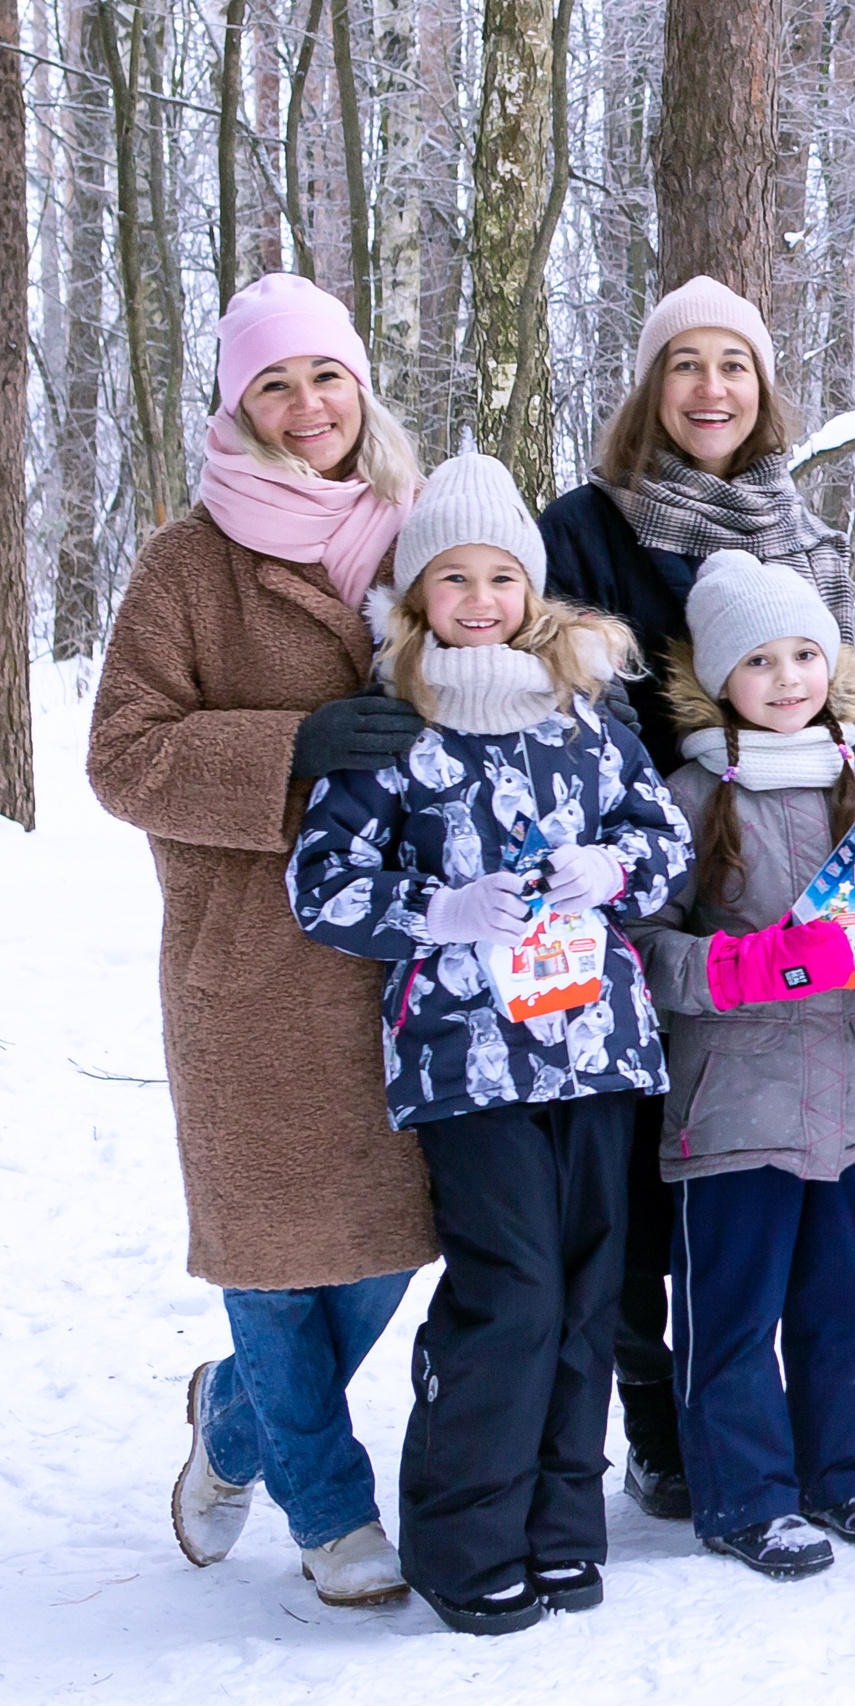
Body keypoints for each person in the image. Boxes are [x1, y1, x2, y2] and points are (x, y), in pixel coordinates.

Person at [288, 454, 691, 1634]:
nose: (479, 598)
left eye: (500, 576)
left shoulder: (584, 709)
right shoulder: (392, 725)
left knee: (589, 1294)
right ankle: (468, 1539)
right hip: (471, 1060)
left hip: (600, 1048)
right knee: (510, 1291)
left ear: (533, 586)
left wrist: (610, 867)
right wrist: (441, 908)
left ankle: (563, 1530)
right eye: (451, 578)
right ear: (417, 596)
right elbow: (324, 885)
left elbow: (662, 848)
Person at [88, 273, 431, 1611]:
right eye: (272, 386)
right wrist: (292, 751)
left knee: (391, 1246)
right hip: (251, 968)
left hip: (410, 966)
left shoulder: (416, 541)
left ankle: (231, 1416)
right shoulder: (187, 565)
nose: (305, 408)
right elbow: (121, 757)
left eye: (325, 377)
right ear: (238, 408)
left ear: (362, 387)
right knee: (275, 1256)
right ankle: (334, 1512)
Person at [539, 275, 854, 1522]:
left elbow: (837, 698)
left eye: (736, 364)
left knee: (760, 1188)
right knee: (637, 1172)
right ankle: (659, 1422)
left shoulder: (802, 532)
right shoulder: (586, 526)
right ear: (650, 387)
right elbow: (569, 695)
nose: (712, 387)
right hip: (638, 873)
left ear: (764, 391)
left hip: (787, 892)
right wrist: (639, 839)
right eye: (687, 363)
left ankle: (775, 1429)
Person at [629, 552, 855, 1579]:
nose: (786, 677)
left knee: (837, 1300)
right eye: (759, 660)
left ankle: (845, 1474)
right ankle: (744, 1495)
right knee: (733, 1307)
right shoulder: (684, 796)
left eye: (805, 652)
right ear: (720, 678)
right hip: (732, 1105)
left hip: (853, 1097)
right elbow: (636, 946)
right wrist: (739, 964)